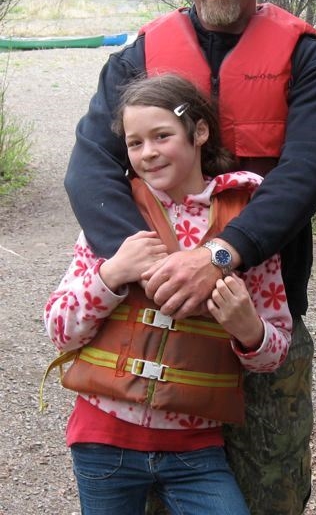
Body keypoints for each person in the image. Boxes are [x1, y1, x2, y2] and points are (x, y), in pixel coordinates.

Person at [64, 0, 316, 515]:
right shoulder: (138, 57)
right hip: (148, 316)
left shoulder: (309, 61)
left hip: (257, 316)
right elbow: (90, 167)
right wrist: (146, 264)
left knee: (268, 492)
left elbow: (306, 173)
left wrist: (221, 255)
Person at [44, 73, 293, 515]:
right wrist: (112, 274)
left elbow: (275, 351)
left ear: (199, 132)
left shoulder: (246, 221)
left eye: (162, 136)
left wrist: (248, 329)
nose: (148, 153)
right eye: (135, 143)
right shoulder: (114, 215)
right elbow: (60, 329)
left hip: (197, 452)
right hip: (102, 442)